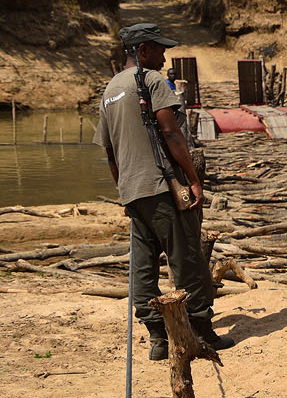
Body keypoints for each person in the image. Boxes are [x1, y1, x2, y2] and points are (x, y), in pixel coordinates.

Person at [95, 23, 232, 359]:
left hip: (132, 191)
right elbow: (171, 133)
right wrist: (193, 179)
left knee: (143, 267)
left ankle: (157, 337)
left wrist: (124, 191)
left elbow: (110, 152)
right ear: (142, 51)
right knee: (187, 260)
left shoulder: (109, 91)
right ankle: (201, 331)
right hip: (161, 188)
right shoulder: (152, 81)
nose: (164, 54)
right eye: (158, 48)